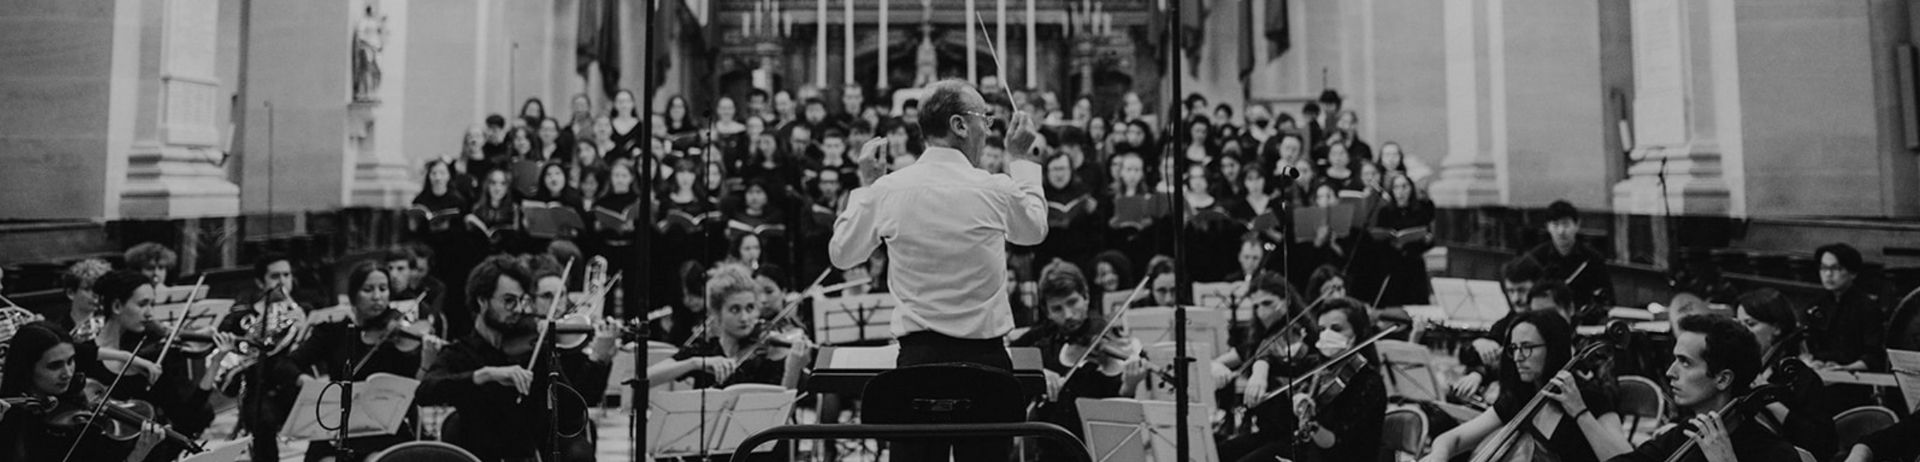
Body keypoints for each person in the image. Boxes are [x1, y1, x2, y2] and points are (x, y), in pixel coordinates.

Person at [827, 79, 1043, 461]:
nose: (989, 128)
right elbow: (1033, 231)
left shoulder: (890, 189)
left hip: (917, 365)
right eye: (985, 118)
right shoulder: (993, 188)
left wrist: (867, 186)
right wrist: (1022, 160)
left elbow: (843, 254)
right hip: (985, 365)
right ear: (959, 125)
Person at [417, 255, 620, 462]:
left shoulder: (534, 350)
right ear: (482, 301)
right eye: (508, 301)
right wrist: (483, 375)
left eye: (520, 301)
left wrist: (598, 360)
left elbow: (572, 414)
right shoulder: (461, 353)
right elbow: (425, 392)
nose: (518, 310)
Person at [1424, 310, 1632, 462]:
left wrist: (1580, 412)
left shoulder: (1592, 399)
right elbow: (1455, 438)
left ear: (1552, 349)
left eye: (1528, 348)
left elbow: (1625, 459)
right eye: (1514, 348)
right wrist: (1438, 455)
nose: (1517, 357)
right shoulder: (1521, 397)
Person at [1608, 314, 1798, 462]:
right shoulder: (1684, 434)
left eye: (1685, 362)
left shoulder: (1775, 454)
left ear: (1723, 379)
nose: (1670, 372)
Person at [281, 262, 421, 461]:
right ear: (353, 295)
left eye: (383, 289)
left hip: (383, 429)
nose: (377, 297)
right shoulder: (332, 332)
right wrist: (306, 381)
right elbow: (286, 365)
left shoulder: (398, 336)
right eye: (368, 290)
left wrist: (426, 357)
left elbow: (416, 385)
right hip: (336, 427)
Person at [1219, 297, 1386, 462]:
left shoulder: (1368, 382)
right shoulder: (1318, 364)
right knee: (1222, 452)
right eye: (1322, 329)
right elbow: (1272, 360)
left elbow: (1338, 446)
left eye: (1336, 329)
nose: (1327, 334)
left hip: (1335, 456)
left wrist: (1309, 421)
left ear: (1359, 333)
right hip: (1305, 449)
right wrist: (1259, 372)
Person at [1009, 261, 1146, 462]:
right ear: (1047, 312)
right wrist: (1037, 375)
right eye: (1057, 309)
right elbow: (1005, 364)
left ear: (1086, 296)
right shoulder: (1042, 348)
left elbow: (1118, 422)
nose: (1069, 315)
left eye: (1073, 302)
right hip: (1051, 456)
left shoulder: (1108, 341)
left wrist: (1129, 387)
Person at [1, 321, 169, 461]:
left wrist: (126, 357)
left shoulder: (75, 403)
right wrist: (136, 457)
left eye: (71, 361)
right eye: (55, 366)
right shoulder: (21, 430)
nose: (68, 373)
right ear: (27, 368)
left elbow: (85, 352)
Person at [1523, 200, 1615, 311]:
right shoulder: (1535, 258)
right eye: (1555, 225)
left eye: (1566, 224)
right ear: (1547, 227)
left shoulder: (1593, 259)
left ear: (1577, 225)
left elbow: (1609, 300)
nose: (1561, 231)